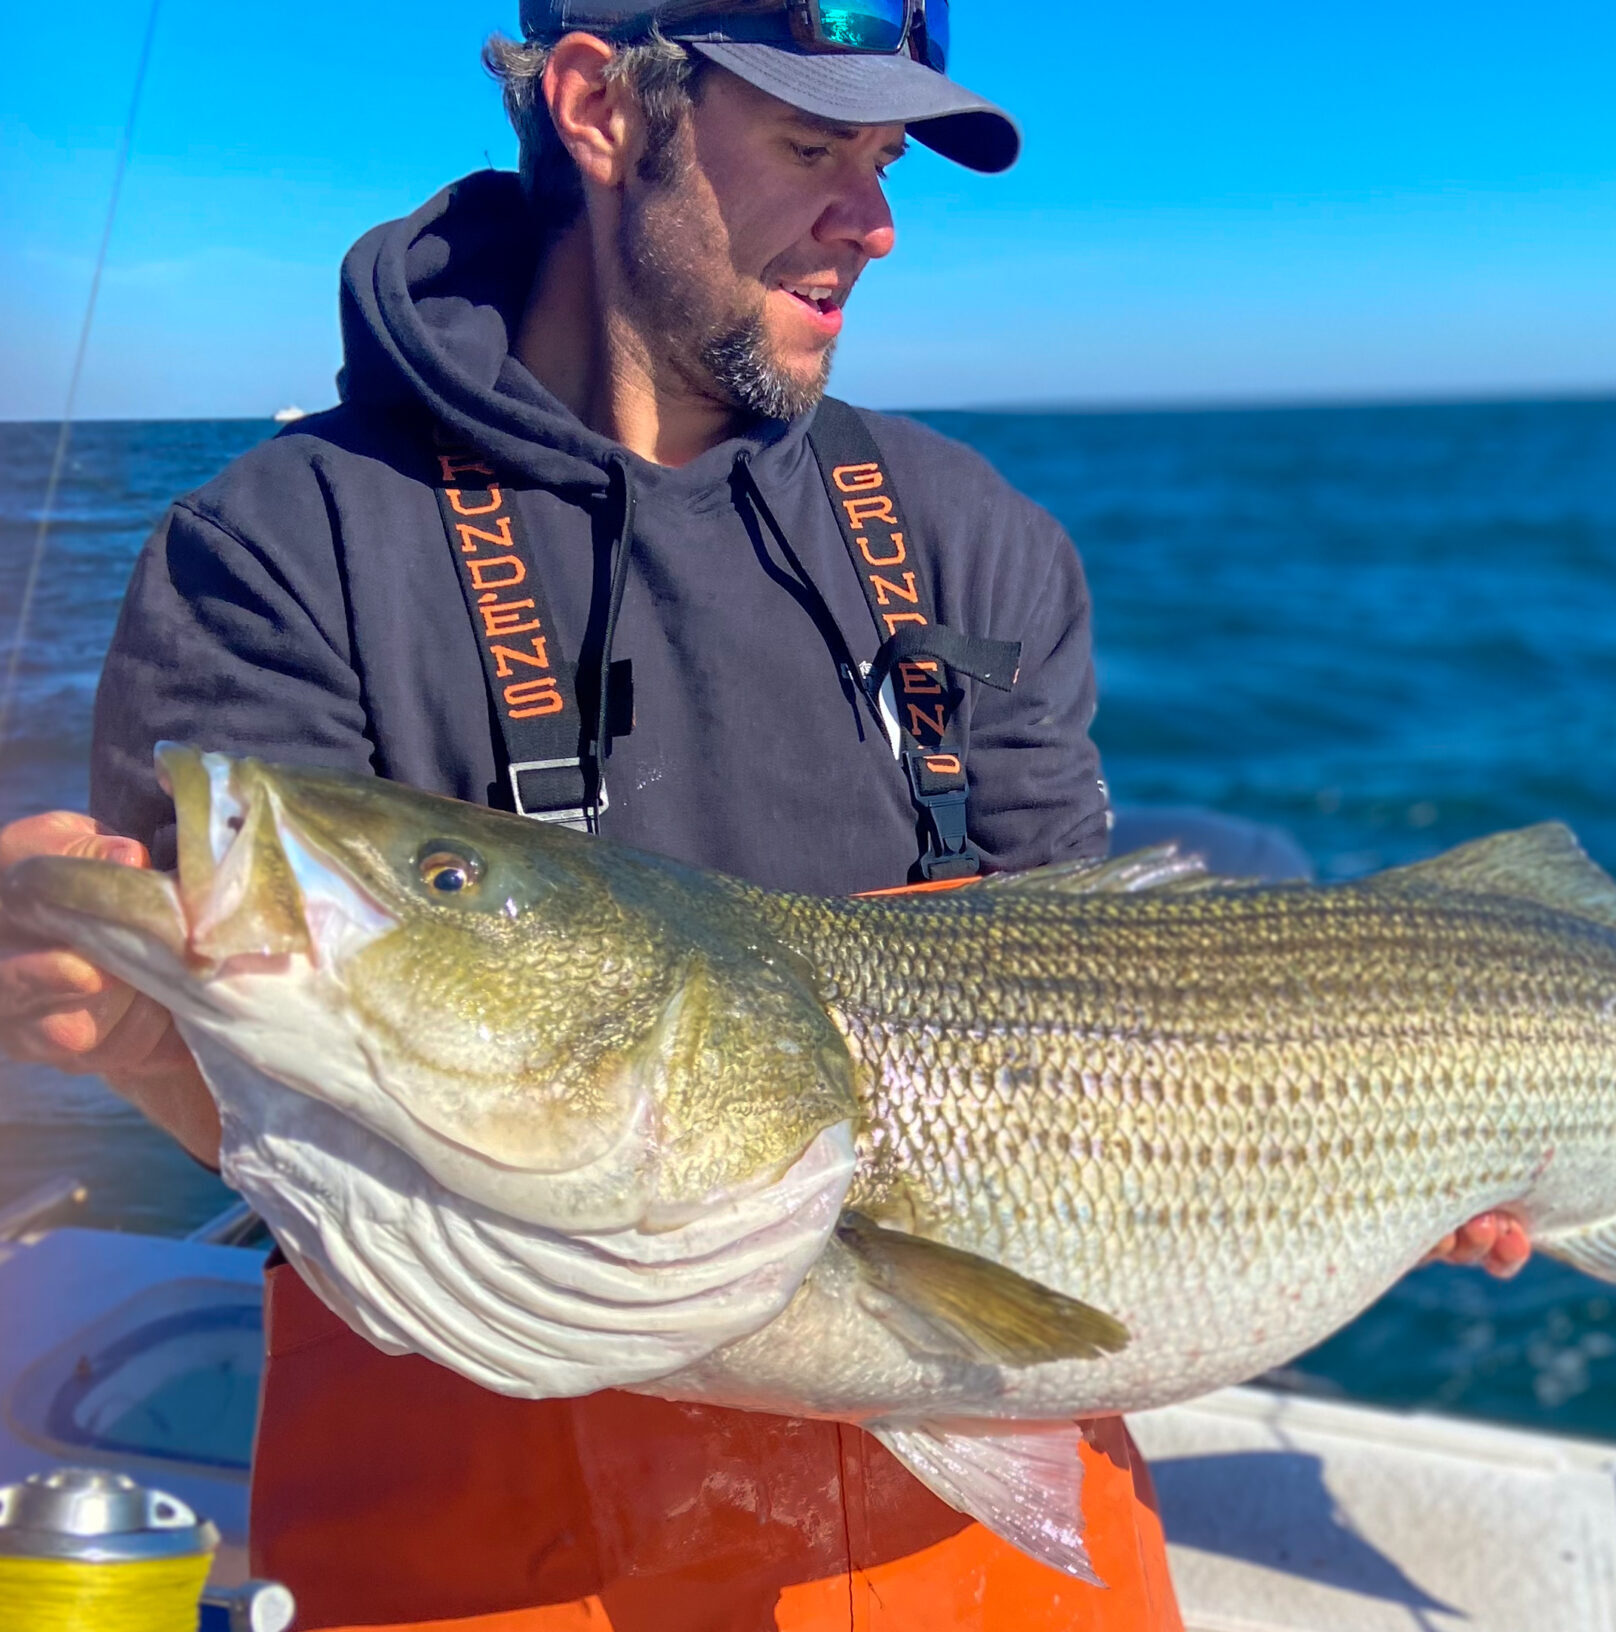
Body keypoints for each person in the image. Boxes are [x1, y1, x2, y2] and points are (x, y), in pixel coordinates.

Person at [0, 3, 1529, 1626]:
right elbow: (274, 1081)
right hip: (485, 1534)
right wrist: (131, 1028)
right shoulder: (281, 549)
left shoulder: (975, 540)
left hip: (992, 1532)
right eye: (813, 147)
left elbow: (1095, 1024)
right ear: (598, 106)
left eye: (880, 164)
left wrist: (1366, 1144)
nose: (872, 223)